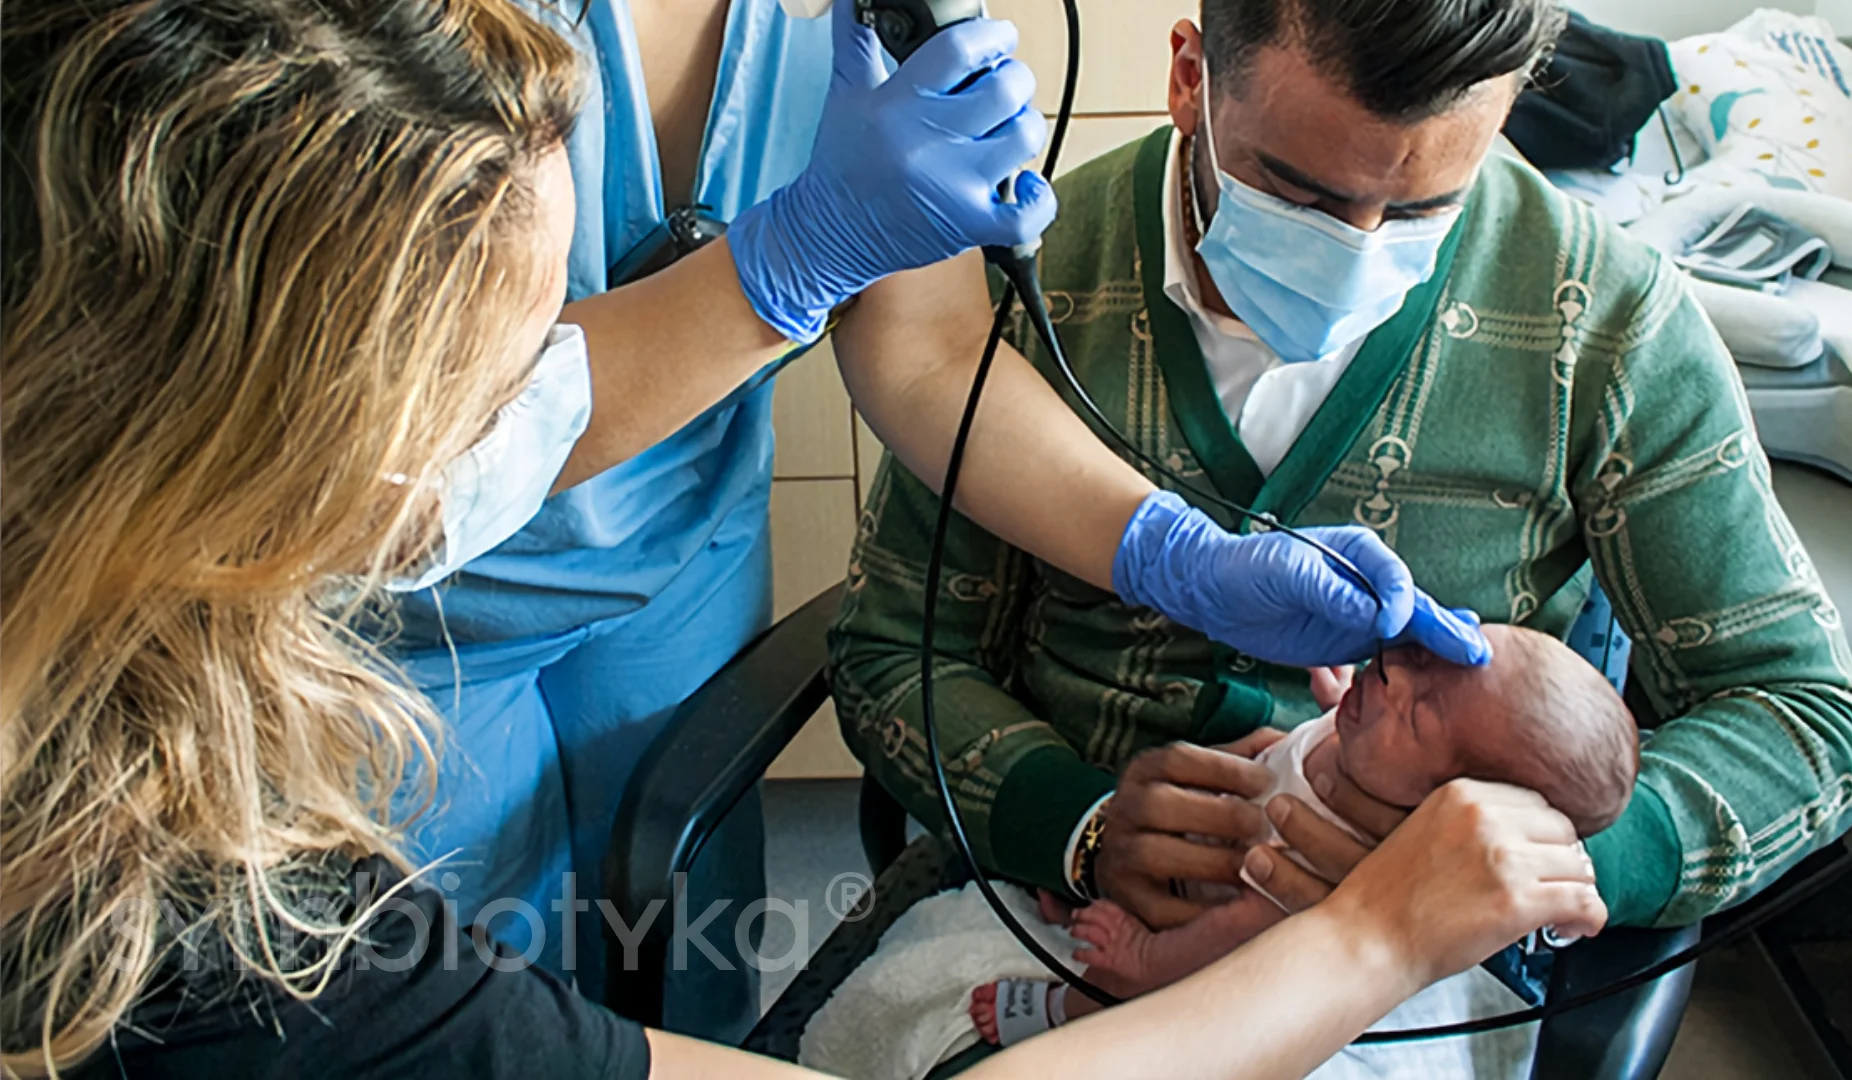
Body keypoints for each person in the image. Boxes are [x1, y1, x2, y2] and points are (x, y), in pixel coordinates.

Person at [0, 1, 1606, 1076]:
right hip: (383, 686)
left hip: (598, 599)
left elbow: (913, 349)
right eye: (509, 388)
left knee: (653, 963)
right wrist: (1369, 932)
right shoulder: (214, 936)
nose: (542, 420)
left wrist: (1167, 550)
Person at [391, 0, 1490, 1016]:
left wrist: (1170, 550)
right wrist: (786, 259)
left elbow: (927, 349)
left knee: (683, 972)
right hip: (382, 600)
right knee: (435, 1009)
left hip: (674, 550)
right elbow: (376, 440)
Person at [831, 0, 1852, 1064]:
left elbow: (1809, 722)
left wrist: (1512, 865)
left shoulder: (1600, 322)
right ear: (1191, 76)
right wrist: (1074, 819)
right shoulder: (1022, 278)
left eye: (1428, 207)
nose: (1358, 250)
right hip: (1053, 908)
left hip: (1422, 972)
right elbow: (890, 652)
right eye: (1299, 192)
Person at [971, 625, 1641, 1043]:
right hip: (1177, 845)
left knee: (1124, 989)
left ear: (1456, 812)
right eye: (1434, 653)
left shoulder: (1349, 862)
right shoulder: (1370, 740)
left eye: (1422, 710)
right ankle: (1087, 907)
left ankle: (1057, 1010)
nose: (1396, 673)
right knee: (1116, 879)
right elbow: (1320, 744)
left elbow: (1234, 933)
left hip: (1213, 925)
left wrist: (1146, 956)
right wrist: (1334, 704)